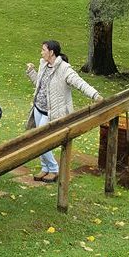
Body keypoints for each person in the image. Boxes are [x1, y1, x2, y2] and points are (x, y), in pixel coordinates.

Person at [26, 39, 102, 182]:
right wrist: (31, 72)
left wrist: (95, 95)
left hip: (52, 112)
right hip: (38, 109)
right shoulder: (43, 65)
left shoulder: (65, 69)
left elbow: (80, 83)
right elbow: (40, 86)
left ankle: (54, 169)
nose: (41, 52)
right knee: (39, 139)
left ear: (51, 52)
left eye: (43, 50)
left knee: (41, 141)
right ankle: (45, 168)